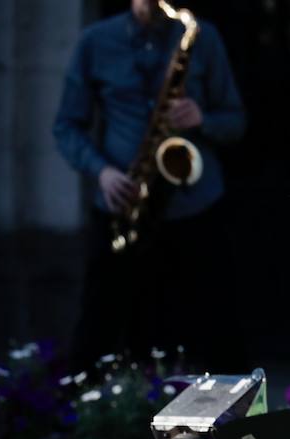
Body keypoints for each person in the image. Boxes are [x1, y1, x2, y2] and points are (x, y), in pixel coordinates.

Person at [52, 0, 246, 371]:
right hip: (124, 206)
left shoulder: (201, 36)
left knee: (220, 331)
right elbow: (66, 126)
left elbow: (235, 120)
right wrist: (102, 172)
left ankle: (235, 423)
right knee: (99, 330)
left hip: (194, 204)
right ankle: (82, 420)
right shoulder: (95, 41)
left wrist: (202, 118)